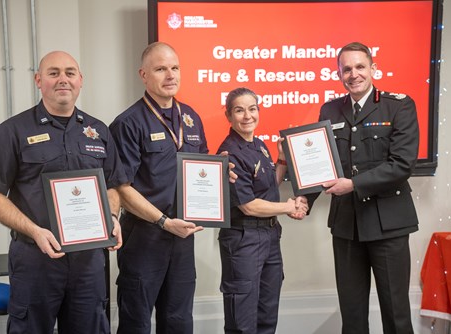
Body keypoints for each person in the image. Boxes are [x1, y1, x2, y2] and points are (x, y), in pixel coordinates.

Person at [0, 51, 127, 334]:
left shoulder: (98, 130)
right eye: (53, 72)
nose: (63, 79)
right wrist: (35, 230)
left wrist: (111, 217)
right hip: (36, 258)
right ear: (38, 80)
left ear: (80, 80)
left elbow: (111, 186)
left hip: (88, 261)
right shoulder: (13, 130)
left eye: (70, 73)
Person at [109, 41, 225, 334]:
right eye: (161, 69)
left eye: (174, 68)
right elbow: (122, 187)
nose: (170, 75)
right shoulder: (127, 123)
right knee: (136, 321)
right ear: (143, 75)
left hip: (182, 237)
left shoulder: (191, 118)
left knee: (178, 320)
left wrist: (221, 172)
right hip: (144, 237)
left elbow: (201, 171)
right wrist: (162, 221)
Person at [307, 42, 420, 333]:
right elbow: (322, 164)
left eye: (360, 66)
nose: (353, 74)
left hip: (388, 224)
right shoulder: (330, 109)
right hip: (347, 226)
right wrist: (302, 198)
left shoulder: (399, 105)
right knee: (352, 316)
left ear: (373, 68)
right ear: (339, 74)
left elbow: (402, 164)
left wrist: (353, 184)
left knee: (396, 314)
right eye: (346, 69)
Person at [216, 87, 308, 334]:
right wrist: (289, 206)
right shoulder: (229, 154)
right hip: (244, 240)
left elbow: (267, 188)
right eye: (239, 110)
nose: (247, 116)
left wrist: (282, 161)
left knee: (267, 318)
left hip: (269, 238)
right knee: (243, 323)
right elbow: (249, 205)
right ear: (228, 116)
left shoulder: (259, 144)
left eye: (252, 109)